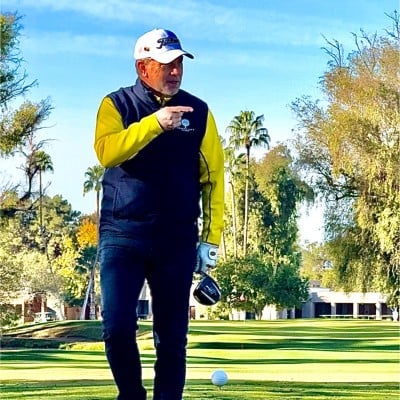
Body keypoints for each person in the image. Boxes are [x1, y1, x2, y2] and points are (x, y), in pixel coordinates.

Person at [94, 28, 224, 400]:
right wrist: (155, 124)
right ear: (143, 67)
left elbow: (214, 177)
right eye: (167, 64)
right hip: (122, 235)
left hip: (176, 239)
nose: (175, 71)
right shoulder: (115, 105)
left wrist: (210, 239)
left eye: (179, 63)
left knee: (171, 338)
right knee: (118, 327)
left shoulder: (199, 112)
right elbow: (107, 152)